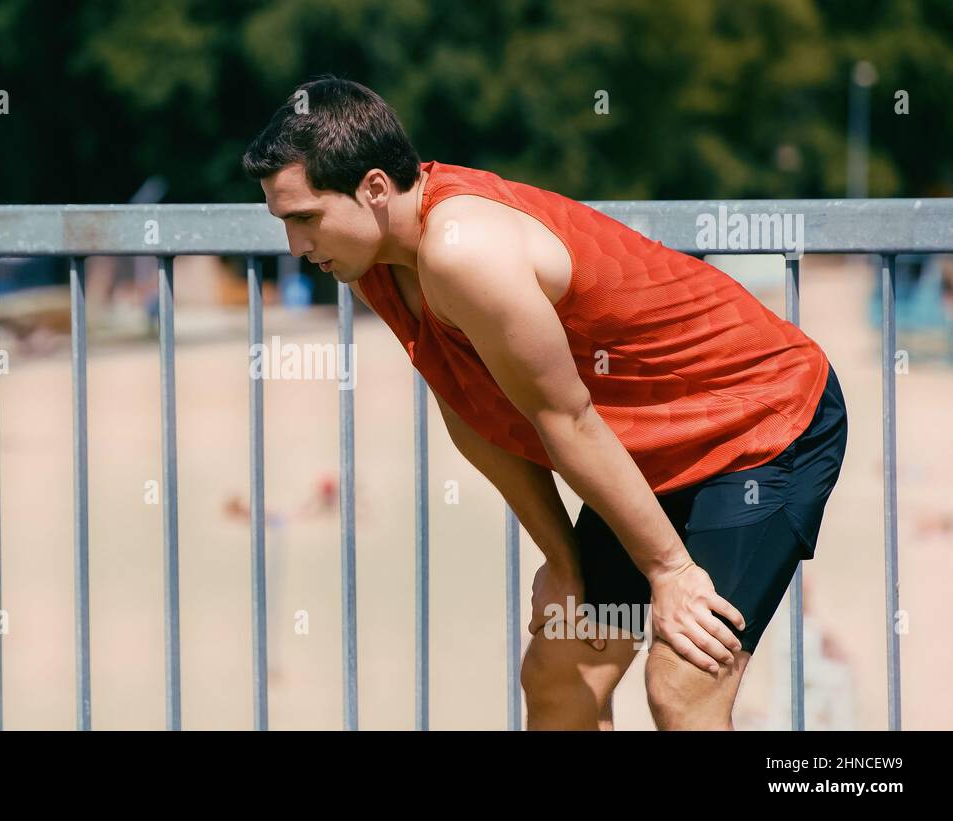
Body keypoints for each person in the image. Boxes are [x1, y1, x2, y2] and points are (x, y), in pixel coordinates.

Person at [241, 76, 848, 730]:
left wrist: (670, 570)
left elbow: (568, 419)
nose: (295, 248)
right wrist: (563, 563)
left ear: (375, 189)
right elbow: (471, 414)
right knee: (561, 673)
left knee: (681, 686)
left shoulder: (461, 250)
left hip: (764, 421)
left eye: (304, 218)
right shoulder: (378, 268)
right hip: (648, 454)